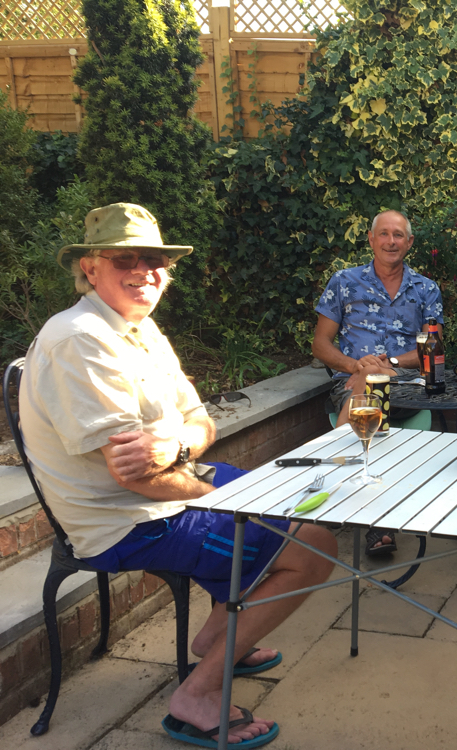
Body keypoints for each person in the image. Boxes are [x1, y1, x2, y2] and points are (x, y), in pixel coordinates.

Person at [19, 203, 336, 748]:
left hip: (167, 488)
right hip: (125, 520)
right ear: (90, 268)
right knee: (315, 549)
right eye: (126, 259)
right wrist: (216, 492)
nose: (145, 270)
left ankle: (220, 636)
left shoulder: (137, 327)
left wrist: (178, 442)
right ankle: (196, 694)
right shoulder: (81, 339)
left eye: (155, 259)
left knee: (288, 503)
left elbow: (201, 418)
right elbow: (135, 480)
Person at [312, 209, 444, 556]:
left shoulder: (426, 289)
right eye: (383, 233)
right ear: (371, 239)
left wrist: (393, 363)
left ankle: (330, 478)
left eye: (398, 235)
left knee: (374, 382)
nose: (391, 241)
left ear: (409, 242)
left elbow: (433, 347)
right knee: (367, 382)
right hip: (352, 378)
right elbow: (321, 344)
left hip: (405, 382)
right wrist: (357, 364)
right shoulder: (343, 282)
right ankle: (376, 519)